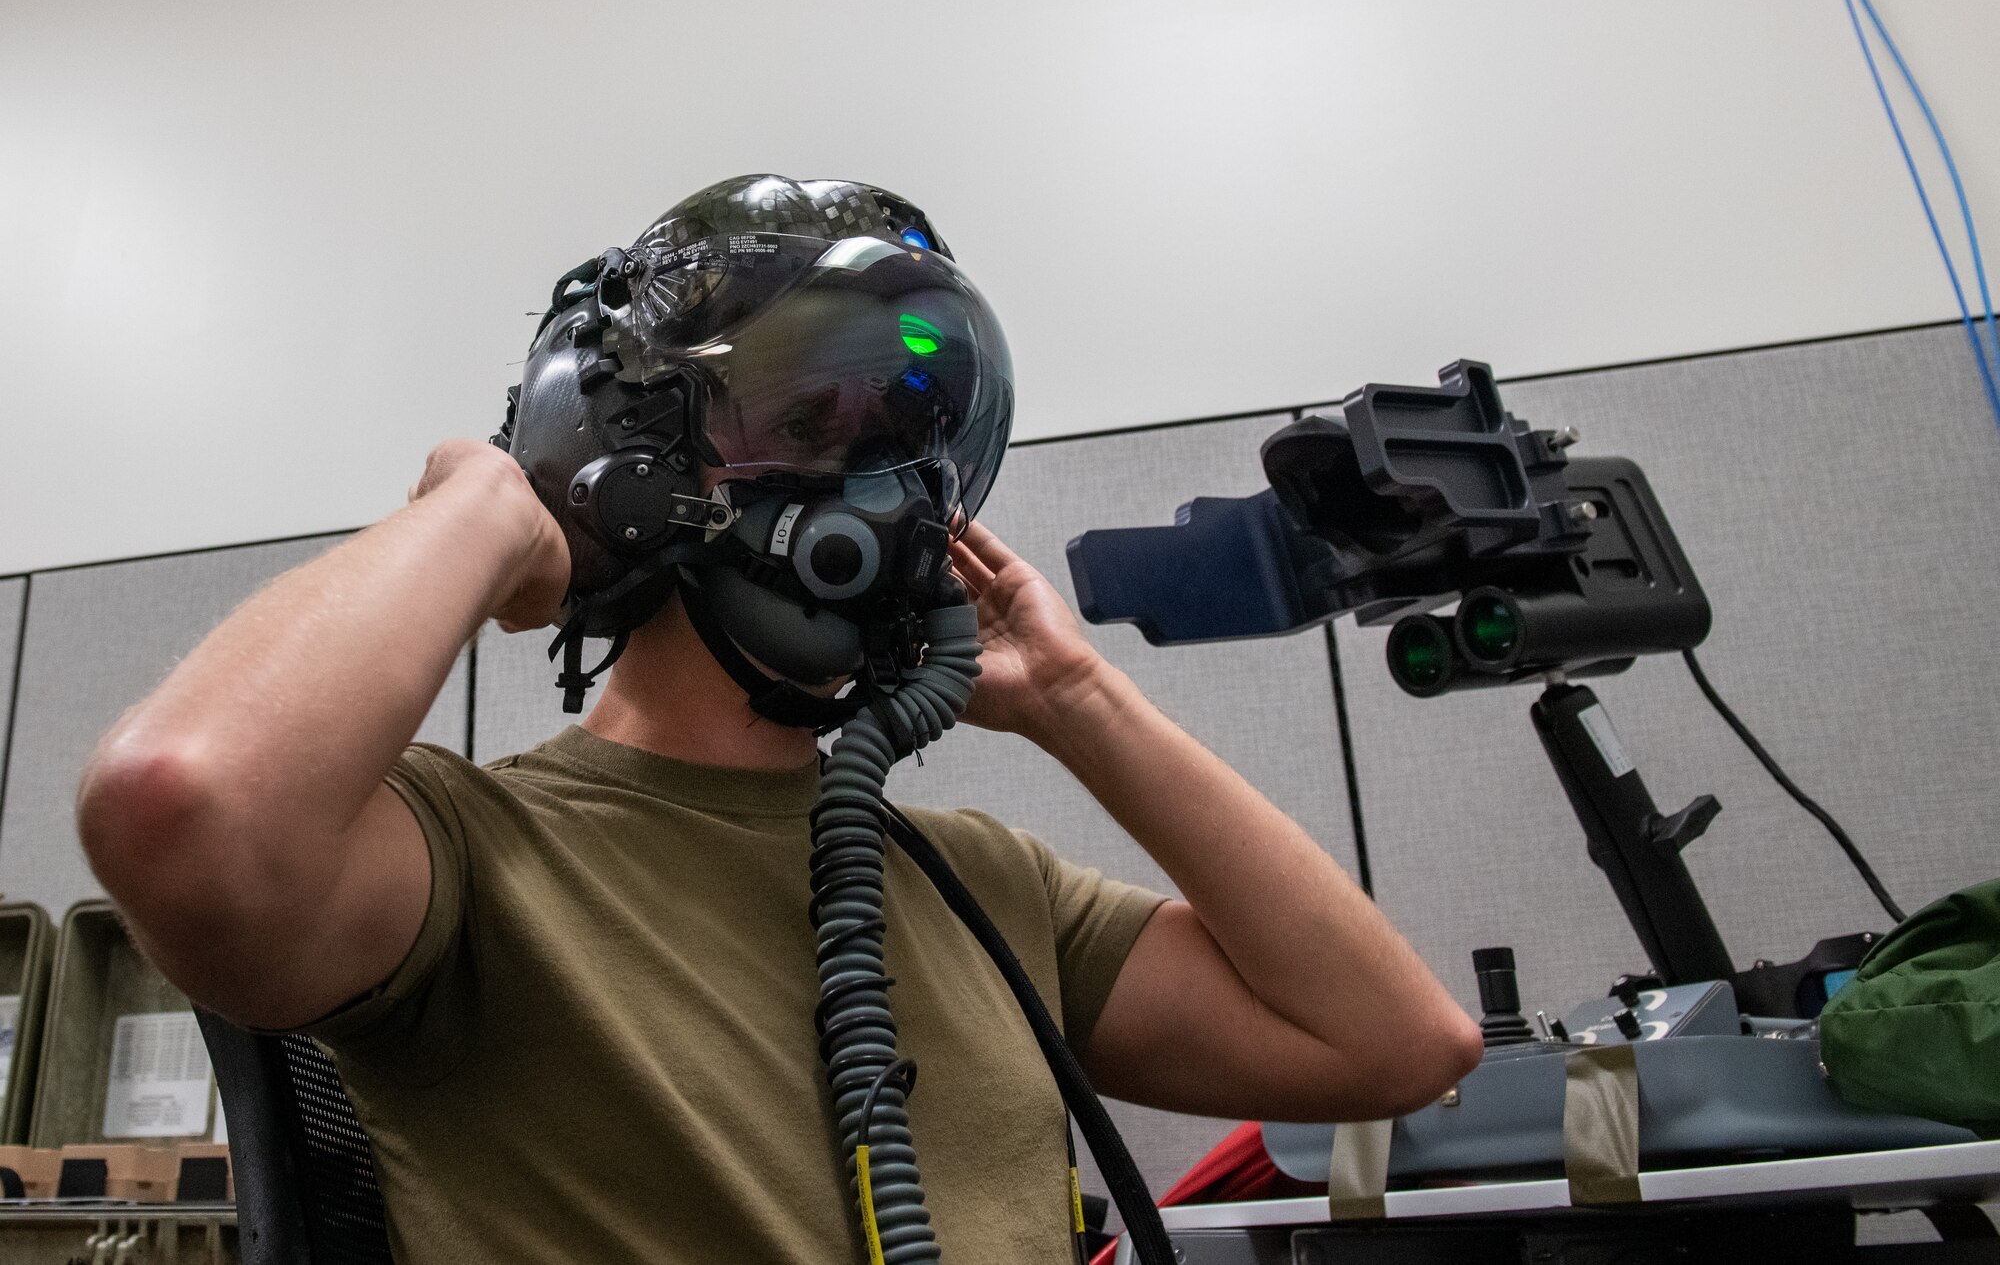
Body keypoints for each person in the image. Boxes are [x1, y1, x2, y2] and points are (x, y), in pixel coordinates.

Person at [76, 177, 1481, 1264]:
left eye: (917, 446)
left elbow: (1397, 1045)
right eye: (816, 431)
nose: (896, 494)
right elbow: (180, 803)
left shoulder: (988, 884)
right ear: (619, 467)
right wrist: (491, 506)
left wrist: (1077, 700)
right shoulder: (472, 860)